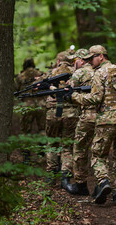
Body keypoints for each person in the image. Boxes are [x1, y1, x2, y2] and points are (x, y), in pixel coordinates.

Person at [68, 45, 116, 205]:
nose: (89, 62)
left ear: (101, 56)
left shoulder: (100, 73)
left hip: (106, 121)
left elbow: (95, 99)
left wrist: (74, 97)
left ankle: (103, 182)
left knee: (98, 155)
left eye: (91, 58)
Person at [44, 51, 79, 189]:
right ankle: (65, 177)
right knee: (67, 146)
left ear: (58, 61)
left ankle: (51, 177)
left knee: (52, 144)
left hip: (53, 113)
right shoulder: (75, 73)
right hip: (70, 113)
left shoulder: (51, 73)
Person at [63, 48, 95, 195]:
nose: (73, 63)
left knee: (80, 149)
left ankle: (81, 185)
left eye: (75, 60)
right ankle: (102, 183)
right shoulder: (99, 71)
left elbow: (68, 90)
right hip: (104, 116)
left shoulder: (80, 72)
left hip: (87, 115)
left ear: (82, 60)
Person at [14, 58, 46, 163]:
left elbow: (16, 90)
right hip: (41, 104)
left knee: (25, 131)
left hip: (26, 105)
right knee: (42, 129)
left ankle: (26, 156)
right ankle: (42, 152)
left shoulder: (20, 76)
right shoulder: (41, 74)